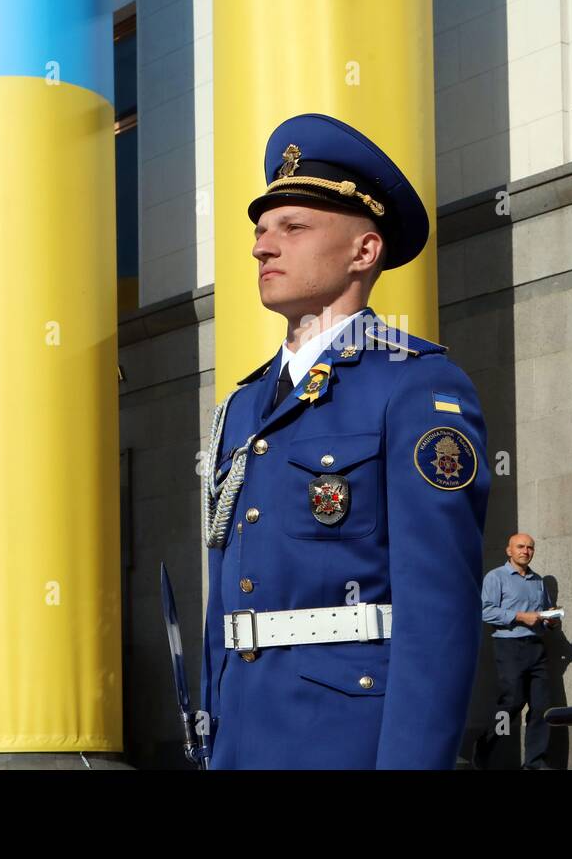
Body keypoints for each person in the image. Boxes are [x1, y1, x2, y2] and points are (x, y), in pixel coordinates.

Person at [198, 112, 491, 769]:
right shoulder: (244, 406)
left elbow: (437, 609)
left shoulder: (416, 388)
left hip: (347, 740)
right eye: (261, 231)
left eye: (293, 228)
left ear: (364, 251)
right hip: (242, 738)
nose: (262, 248)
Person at [473, 533, 560, 770]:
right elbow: (485, 611)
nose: (526, 551)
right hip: (509, 647)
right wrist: (521, 616)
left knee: (542, 706)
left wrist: (550, 620)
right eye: (520, 547)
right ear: (509, 551)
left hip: (537, 648)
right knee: (511, 703)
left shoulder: (538, 581)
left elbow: (541, 615)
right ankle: (484, 747)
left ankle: (535, 763)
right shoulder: (496, 577)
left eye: (530, 547)